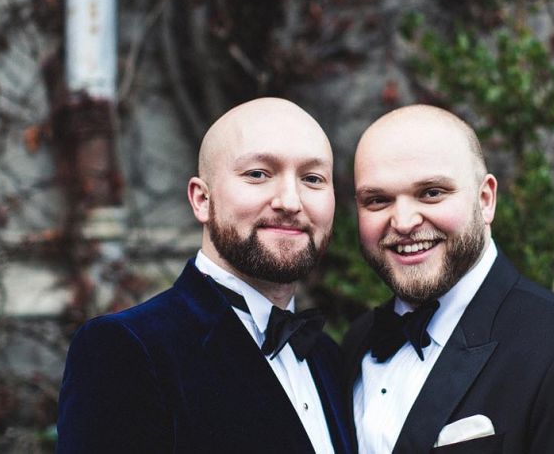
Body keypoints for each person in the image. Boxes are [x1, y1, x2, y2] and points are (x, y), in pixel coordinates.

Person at [343, 105, 554, 453]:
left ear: (485, 200)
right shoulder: (356, 342)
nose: (403, 221)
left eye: (431, 192)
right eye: (377, 200)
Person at [57, 97, 352, 453]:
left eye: (312, 178)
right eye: (258, 174)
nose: (290, 201)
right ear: (201, 199)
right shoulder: (125, 349)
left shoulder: (329, 357)